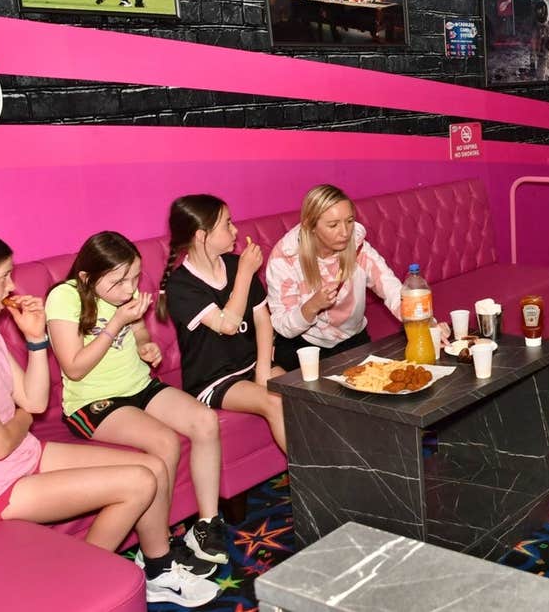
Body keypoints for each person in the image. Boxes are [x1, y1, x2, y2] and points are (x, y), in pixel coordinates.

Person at [0, 228, 218, 607]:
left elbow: (32, 398)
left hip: (22, 453)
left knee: (154, 467)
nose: (11, 284)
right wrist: (25, 417)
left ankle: (158, 568)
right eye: (3, 277)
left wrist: (34, 342)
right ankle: (75, 587)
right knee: (139, 483)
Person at [46, 231, 230, 566]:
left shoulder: (122, 292)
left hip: (139, 386)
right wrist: (116, 323)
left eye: (134, 278)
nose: (129, 290)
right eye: (119, 282)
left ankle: (207, 523)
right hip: (93, 402)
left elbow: (139, 328)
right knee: (165, 443)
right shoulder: (64, 297)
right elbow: (74, 368)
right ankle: (157, 549)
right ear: (87, 276)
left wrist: (145, 343)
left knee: (204, 420)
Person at [156, 195, 285, 452]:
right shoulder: (181, 286)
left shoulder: (236, 264)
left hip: (251, 364)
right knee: (275, 401)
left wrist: (263, 370)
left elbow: (262, 320)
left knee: (304, 393)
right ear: (201, 236)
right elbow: (227, 324)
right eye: (227, 224)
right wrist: (246, 274)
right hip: (213, 380)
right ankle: (315, 481)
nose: (235, 230)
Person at [267, 185, 437, 368]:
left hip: (353, 340)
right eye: (333, 225)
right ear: (310, 225)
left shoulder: (357, 247)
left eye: (349, 221)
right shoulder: (285, 258)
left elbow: (390, 288)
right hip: (303, 349)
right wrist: (312, 306)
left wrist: (427, 325)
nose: (345, 232)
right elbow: (283, 326)